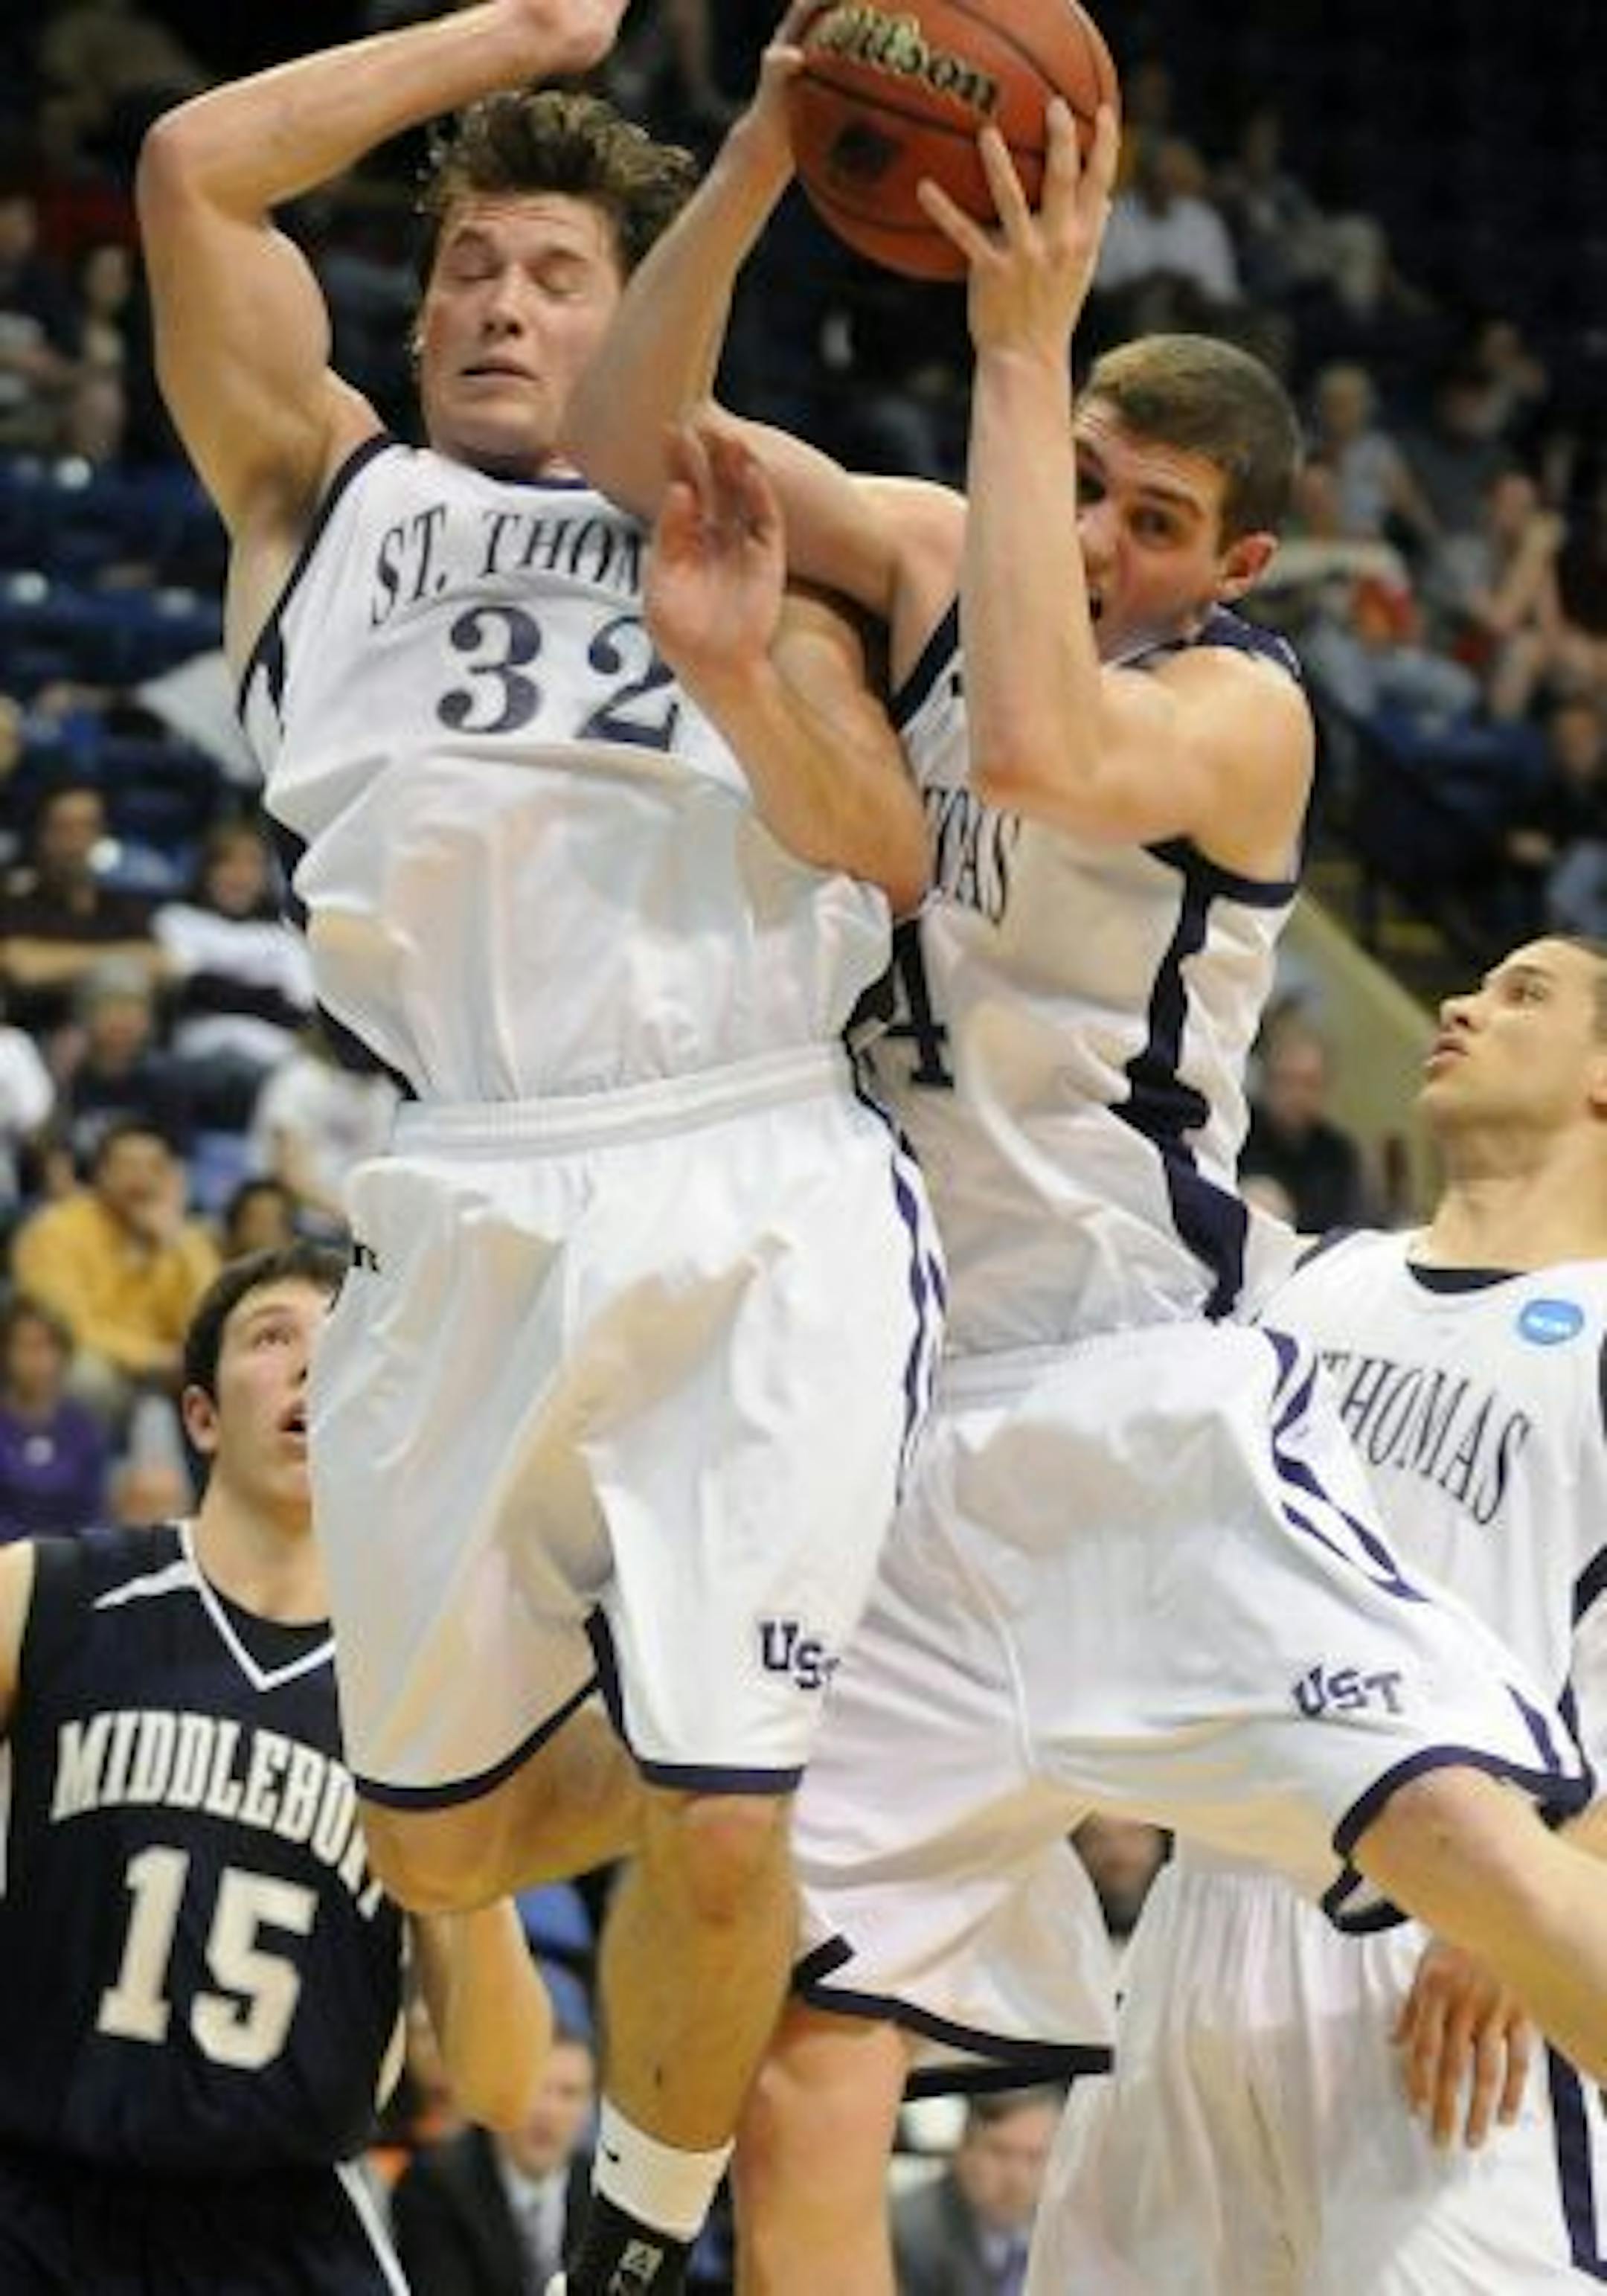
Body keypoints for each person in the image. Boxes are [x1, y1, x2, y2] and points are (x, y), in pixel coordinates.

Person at [565, 28, 1607, 2289]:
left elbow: (1034, 750)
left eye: (1156, 519)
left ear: (1233, 559)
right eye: (1094, 483)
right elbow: (619, 436)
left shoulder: (1244, 711)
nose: (1110, 540)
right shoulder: (944, 549)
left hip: (1140, 1395)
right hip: (896, 1439)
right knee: (799, 2055)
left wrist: (1024, 343)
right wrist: (755, 151)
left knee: (1476, 1845)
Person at [136, 7, 940, 2291]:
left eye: (561, 272)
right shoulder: (325, 494)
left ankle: (638, 2218)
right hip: (460, 1174)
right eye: (471, 265)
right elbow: (197, 167)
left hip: (749, 1156)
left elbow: (885, 848)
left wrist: (724, 661)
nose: (505, 303)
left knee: (719, 1838)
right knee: (443, 1835)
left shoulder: (758, 511)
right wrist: (522, 32)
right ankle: (739, 1700)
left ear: (645, 303)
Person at [1034, 933, 1607, 2293]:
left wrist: (1531, 1918)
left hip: (1453, 1964)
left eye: (1526, 994)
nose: (1466, 1001)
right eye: (1478, 982)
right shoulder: (1305, 1283)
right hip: (1196, 1929)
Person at [0, 1242, 553, 2292]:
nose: (318, 1364)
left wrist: (456, 1845)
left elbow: (503, 2080)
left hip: (283, 2228)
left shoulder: (424, 1694)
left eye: (353, 1344)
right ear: (202, 1415)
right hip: (33, 2201)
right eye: (274, 1337)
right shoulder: (48, 1596)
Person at [391, 2024, 598, 2295]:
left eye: (569, 2093)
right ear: (500, 2095)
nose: (549, 2110)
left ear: (589, 2108)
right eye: (535, 2088)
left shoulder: (603, 2194)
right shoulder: (434, 2184)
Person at [890, 2088, 1060, 2296]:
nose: (1016, 2177)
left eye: (1034, 2157)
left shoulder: (1070, 2227)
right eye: (1000, 2153)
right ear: (964, 2150)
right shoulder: (908, 2233)